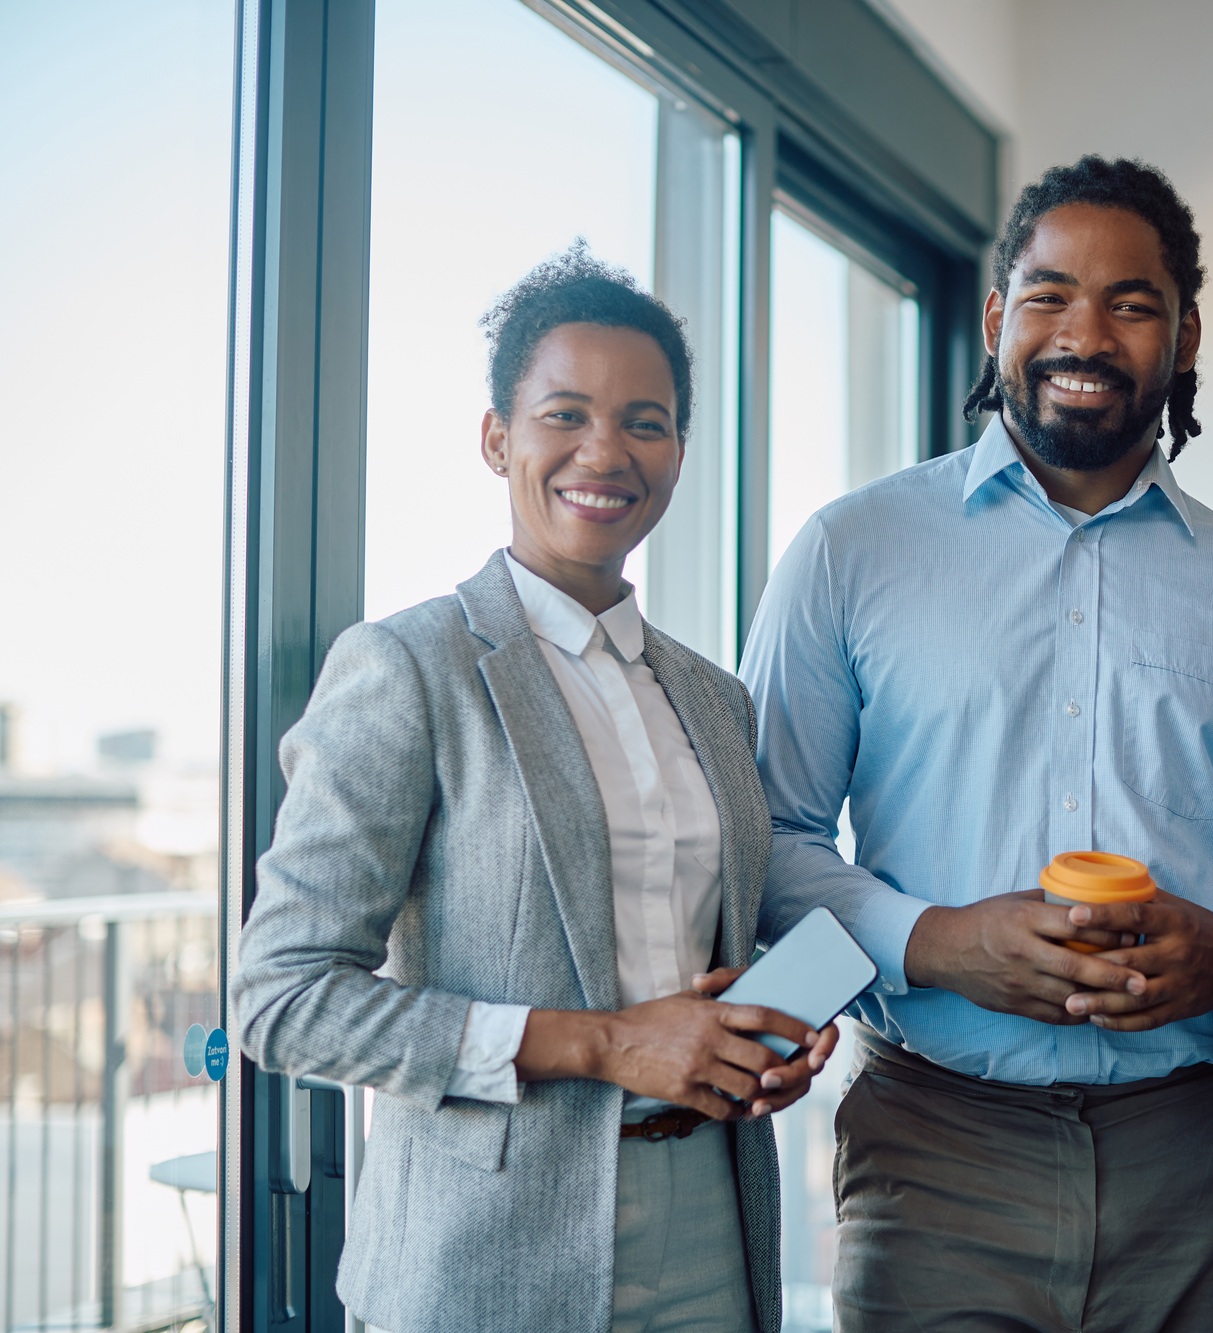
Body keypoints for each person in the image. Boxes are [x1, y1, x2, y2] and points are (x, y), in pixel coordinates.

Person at [740, 156, 1213, 1332]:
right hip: (933, 1148)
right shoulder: (849, 551)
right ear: (994, 318)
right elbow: (764, 839)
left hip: (1199, 1156)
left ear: (1183, 336)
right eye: (1051, 293)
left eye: (1131, 302)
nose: (1086, 332)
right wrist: (936, 941)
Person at [230, 245, 838, 1333]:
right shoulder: (408, 667)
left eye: (644, 421)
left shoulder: (713, 698)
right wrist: (603, 1042)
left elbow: (704, 953)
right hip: (485, 1253)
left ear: (678, 452)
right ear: (496, 438)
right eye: (564, 414)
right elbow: (282, 999)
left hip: (713, 1222)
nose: (604, 450)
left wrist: (761, 1038)